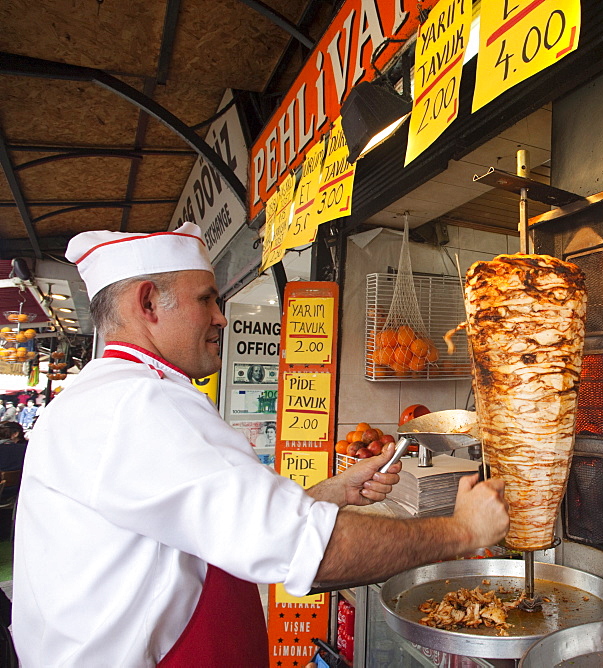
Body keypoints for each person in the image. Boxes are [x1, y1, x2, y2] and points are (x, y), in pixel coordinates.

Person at [13, 223, 509, 667]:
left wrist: (331, 492)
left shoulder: (107, 395)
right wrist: (462, 531)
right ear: (147, 303)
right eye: (206, 299)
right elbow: (309, 550)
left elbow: (214, 526)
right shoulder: (136, 404)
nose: (221, 319)